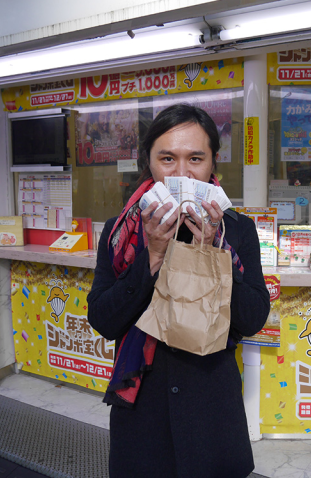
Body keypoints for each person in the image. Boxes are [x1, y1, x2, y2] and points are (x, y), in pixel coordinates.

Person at [87, 104, 270, 478]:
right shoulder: (120, 231)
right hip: (143, 412)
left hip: (211, 410)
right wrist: (153, 256)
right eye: (167, 158)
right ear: (149, 161)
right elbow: (103, 320)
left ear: (213, 162)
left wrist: (214, 252)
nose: (182, 173)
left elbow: (252, 318)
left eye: (195, 159)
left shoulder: (237, 229)